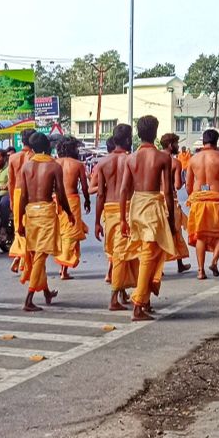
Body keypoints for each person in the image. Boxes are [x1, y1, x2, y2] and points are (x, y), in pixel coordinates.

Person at [119, 116, 176, 322]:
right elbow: (168, 191)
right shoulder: (162, 157)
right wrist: (171, 221)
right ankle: (138, 305)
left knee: (148, 254)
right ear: (155, 133)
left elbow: (124, 189)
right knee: (148, 255)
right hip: (152, 205)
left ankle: (145, 299)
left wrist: (123, 219)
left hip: (136, 205)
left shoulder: (131, 158)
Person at [17, 132, 73, 312]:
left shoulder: (26, 167)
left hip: (31, 211)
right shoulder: (54, 166)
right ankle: (29, 298)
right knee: (40, 255)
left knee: (36, 255)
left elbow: (23, 196)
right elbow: (61, 194)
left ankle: (46, 292)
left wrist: (19, 221)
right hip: (47, 211)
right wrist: (69, 212)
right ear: (47, 146)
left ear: (32, 149)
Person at [94, 126, 138, 311]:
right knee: (125, 254)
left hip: (109, 211)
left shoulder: (103, 162)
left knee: (118, 252)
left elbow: (100, 195)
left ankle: (123, 293)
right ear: (128, 140)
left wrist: (97, 221)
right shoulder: (132, 160)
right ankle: (114, 298)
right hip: (127, 209)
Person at [186, 129, 219, 279]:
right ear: (216, 141)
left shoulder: (193, 159)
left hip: (199, 201)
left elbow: (188, 185)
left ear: (203, 142)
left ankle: (200, 271)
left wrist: (194, 197)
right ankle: (214, 261)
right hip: (216, 200)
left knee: (200, 235)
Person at [54, 136, 90, 280]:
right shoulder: (78, 164)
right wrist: (87, 200)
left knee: (62, 233)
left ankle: (62, 267)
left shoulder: (54, 163)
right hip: (72, 199)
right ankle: (64, 269)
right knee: (71, 234)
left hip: (57, 200)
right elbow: (85, 186)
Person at [160, 133, 192, 274]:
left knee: (159, 233)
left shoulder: (154, 159)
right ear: (170, 145)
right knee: (176, 230)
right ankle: (179, 263)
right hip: (170, 199)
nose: (178, 147)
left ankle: (158, 268)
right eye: (177, 144)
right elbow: (178, 185)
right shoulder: (175, 163)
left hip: (155, 199)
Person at [7, 131, 34, 274]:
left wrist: (12, 199)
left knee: (19, 227)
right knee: (29, 228)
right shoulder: (34, 157)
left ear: (22, 141)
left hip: (17, 193)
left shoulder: (13, 157)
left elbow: (10, 181)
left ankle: (20, 255)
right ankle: (23, 259)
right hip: (30, 194)